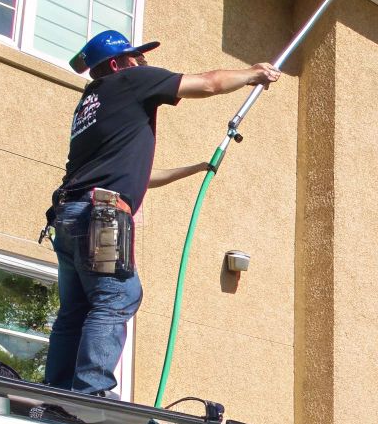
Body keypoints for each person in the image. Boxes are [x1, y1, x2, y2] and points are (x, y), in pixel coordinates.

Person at [43, 30, 279, 396]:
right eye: (137, 58)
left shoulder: (91, 106)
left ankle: (56, 389)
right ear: (117, 64)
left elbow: (135, 176)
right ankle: (90, 393)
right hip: (101, 215)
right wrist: (253, 73)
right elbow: (208, 84)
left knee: (75, 310)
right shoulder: (130, 80)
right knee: (117, 296)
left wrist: (194, 168)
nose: (144, 63)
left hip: (71, 215)